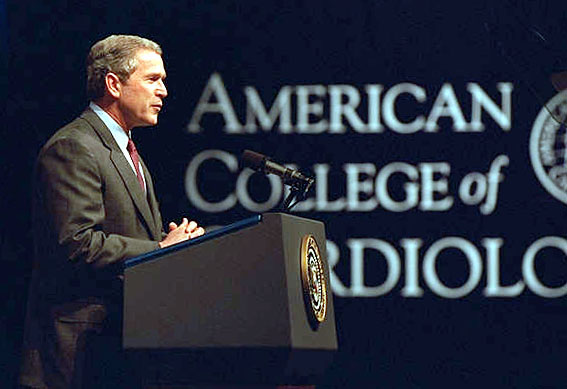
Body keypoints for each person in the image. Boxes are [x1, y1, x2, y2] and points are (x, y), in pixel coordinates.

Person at [19, 35, 204, 389]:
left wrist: (168, 244)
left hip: (116, 348)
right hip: (76, 355)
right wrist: (162, 250)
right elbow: (76, 243)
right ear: (113, 84)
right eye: (152, 80)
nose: (163, 91)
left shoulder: (126, 150)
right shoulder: (74, 147)